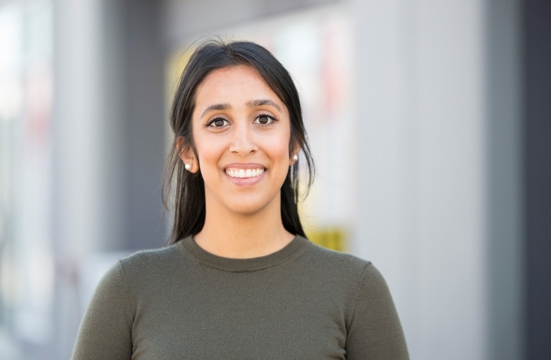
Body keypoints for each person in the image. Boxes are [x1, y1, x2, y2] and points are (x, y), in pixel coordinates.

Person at [71, 40, 409, 359]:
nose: (243, 143)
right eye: (218, 122)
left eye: (264, 119)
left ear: (293, 145)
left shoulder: (356, 289)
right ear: (188, 151)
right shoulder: (128, 289)